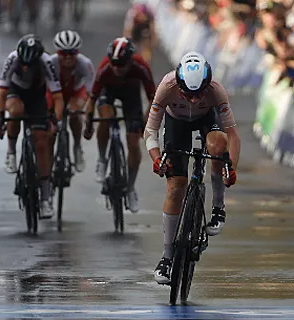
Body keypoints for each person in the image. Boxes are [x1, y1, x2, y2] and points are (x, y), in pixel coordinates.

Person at [145, 51, 240, 285]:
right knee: (176, 188)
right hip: (175, 123)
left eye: (200, 94)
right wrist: (157, 159)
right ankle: (167, 258)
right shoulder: (167, 86)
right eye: (189, 94)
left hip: (207, 120)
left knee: (218, 144)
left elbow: (232, 135)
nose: (195, 100)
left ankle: (218, 207)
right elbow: (150, 131)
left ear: (208, 85)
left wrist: (231, 167)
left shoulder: (216, 90)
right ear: (179, 84)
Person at [83, 37, 156, 213]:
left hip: (131, 96)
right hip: (108, 92)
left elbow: (153, 99)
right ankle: (102, 159)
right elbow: (92, 99)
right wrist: (88, 123)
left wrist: (147, 123)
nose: (117, 68)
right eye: (114, 64)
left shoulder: (141, 66)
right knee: (106, 118)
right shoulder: (105, 67)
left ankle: (130, 187)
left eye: (121, 64)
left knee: (133, 141)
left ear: (131, 60)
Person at [0, 34, 64, 219]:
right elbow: (1, 94)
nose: (26, 67)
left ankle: (45, 197)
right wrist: (0, 118)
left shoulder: (46, 61)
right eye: (23, 64)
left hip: (37, 96)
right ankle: (11, 152)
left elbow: (57, 97)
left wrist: (56, 120)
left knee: (41, 142)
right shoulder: (12, 59)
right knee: (16, 111)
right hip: (15, 92)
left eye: (30, 64)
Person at [47, 29, 94, 172]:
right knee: (50, 126)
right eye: (63, 53)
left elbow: (91, 92)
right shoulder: (51, 62)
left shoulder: (85, 63)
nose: (68, 57)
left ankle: (77, 146)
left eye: (72, 53)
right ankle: (48, 160)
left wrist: (89, 118)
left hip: (75, 92)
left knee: (74, 112)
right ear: (57, 53)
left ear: (78, 52)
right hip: (55, 93)